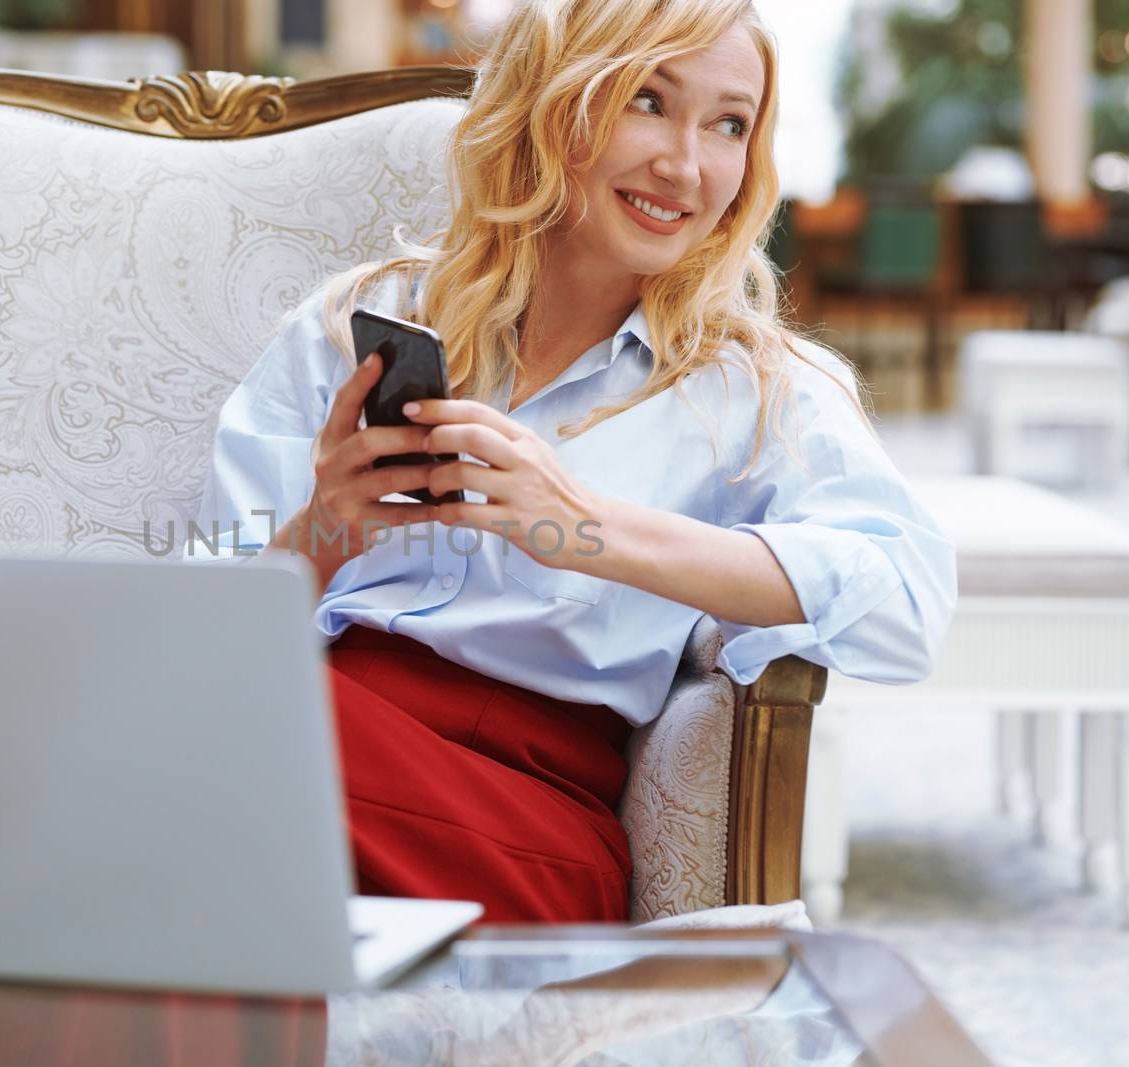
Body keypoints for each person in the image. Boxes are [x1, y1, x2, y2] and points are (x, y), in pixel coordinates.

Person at [191, 0, 956, 923]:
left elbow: (905, 601)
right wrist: (320, 530)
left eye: (728, 125)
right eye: (647, 100)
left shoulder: (756, 388)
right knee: (177, 824)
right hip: (300, 735)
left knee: (163, 747)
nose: (686, 164)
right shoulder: (352, 327)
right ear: (549, 102)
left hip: (524, 815)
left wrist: (587, 528)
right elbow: (204, 586)